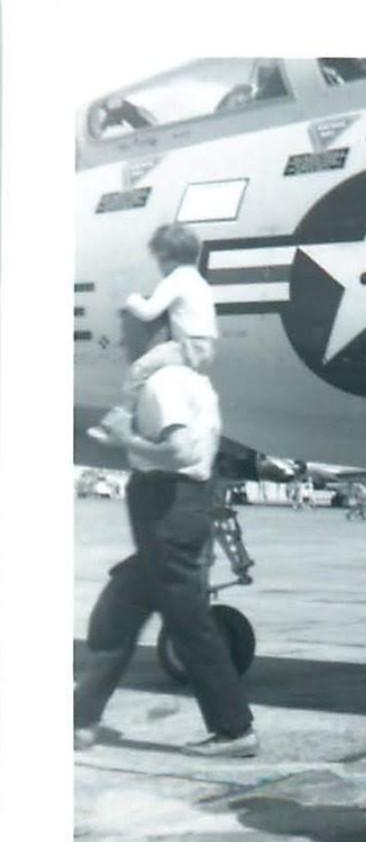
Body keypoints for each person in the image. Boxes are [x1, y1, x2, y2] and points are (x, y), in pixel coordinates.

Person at [73, 320, 257, 757]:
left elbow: (178, 451)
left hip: (168, 507)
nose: (122, 340)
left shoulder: (162, 384)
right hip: (177, 507)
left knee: (190, 625)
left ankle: (235, 730)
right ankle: (80, 719)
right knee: (118, 609)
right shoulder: (189, 380)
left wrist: (125, 438)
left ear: (155, 336)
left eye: (129, 331)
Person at [89, 224, 218, 443]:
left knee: (139, 370)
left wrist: (132, 300)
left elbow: (148, 312)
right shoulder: (199, 281)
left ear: (165, 256)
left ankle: (119, 424)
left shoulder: (175, 280)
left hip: (187, 346)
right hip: (205, 347)